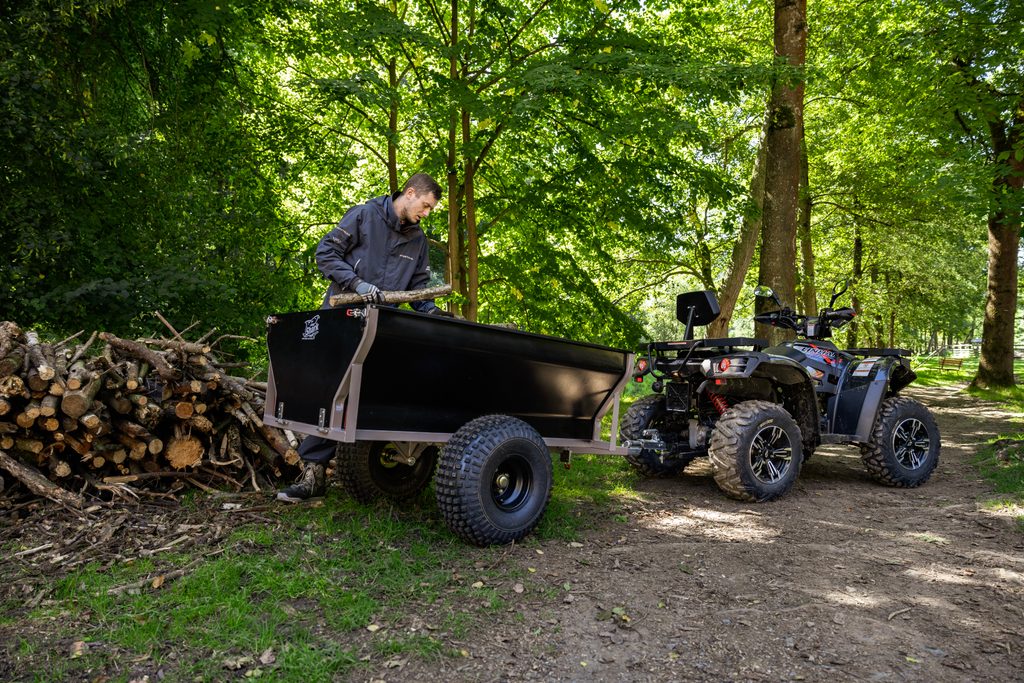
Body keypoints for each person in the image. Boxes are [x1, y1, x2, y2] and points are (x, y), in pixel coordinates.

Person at [277, 172, 452, 503]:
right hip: (340, 322)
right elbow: (326, 253)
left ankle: (386, 471)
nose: (427, 213)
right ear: (410, 193)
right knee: (331, 396)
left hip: (382, 330)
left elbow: (418, 288)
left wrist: (432, 311)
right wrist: (356, 283)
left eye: (431, 209)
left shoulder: (418, 240)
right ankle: (313, 476)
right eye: (426, 205)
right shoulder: (364, 216)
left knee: (377, 397)